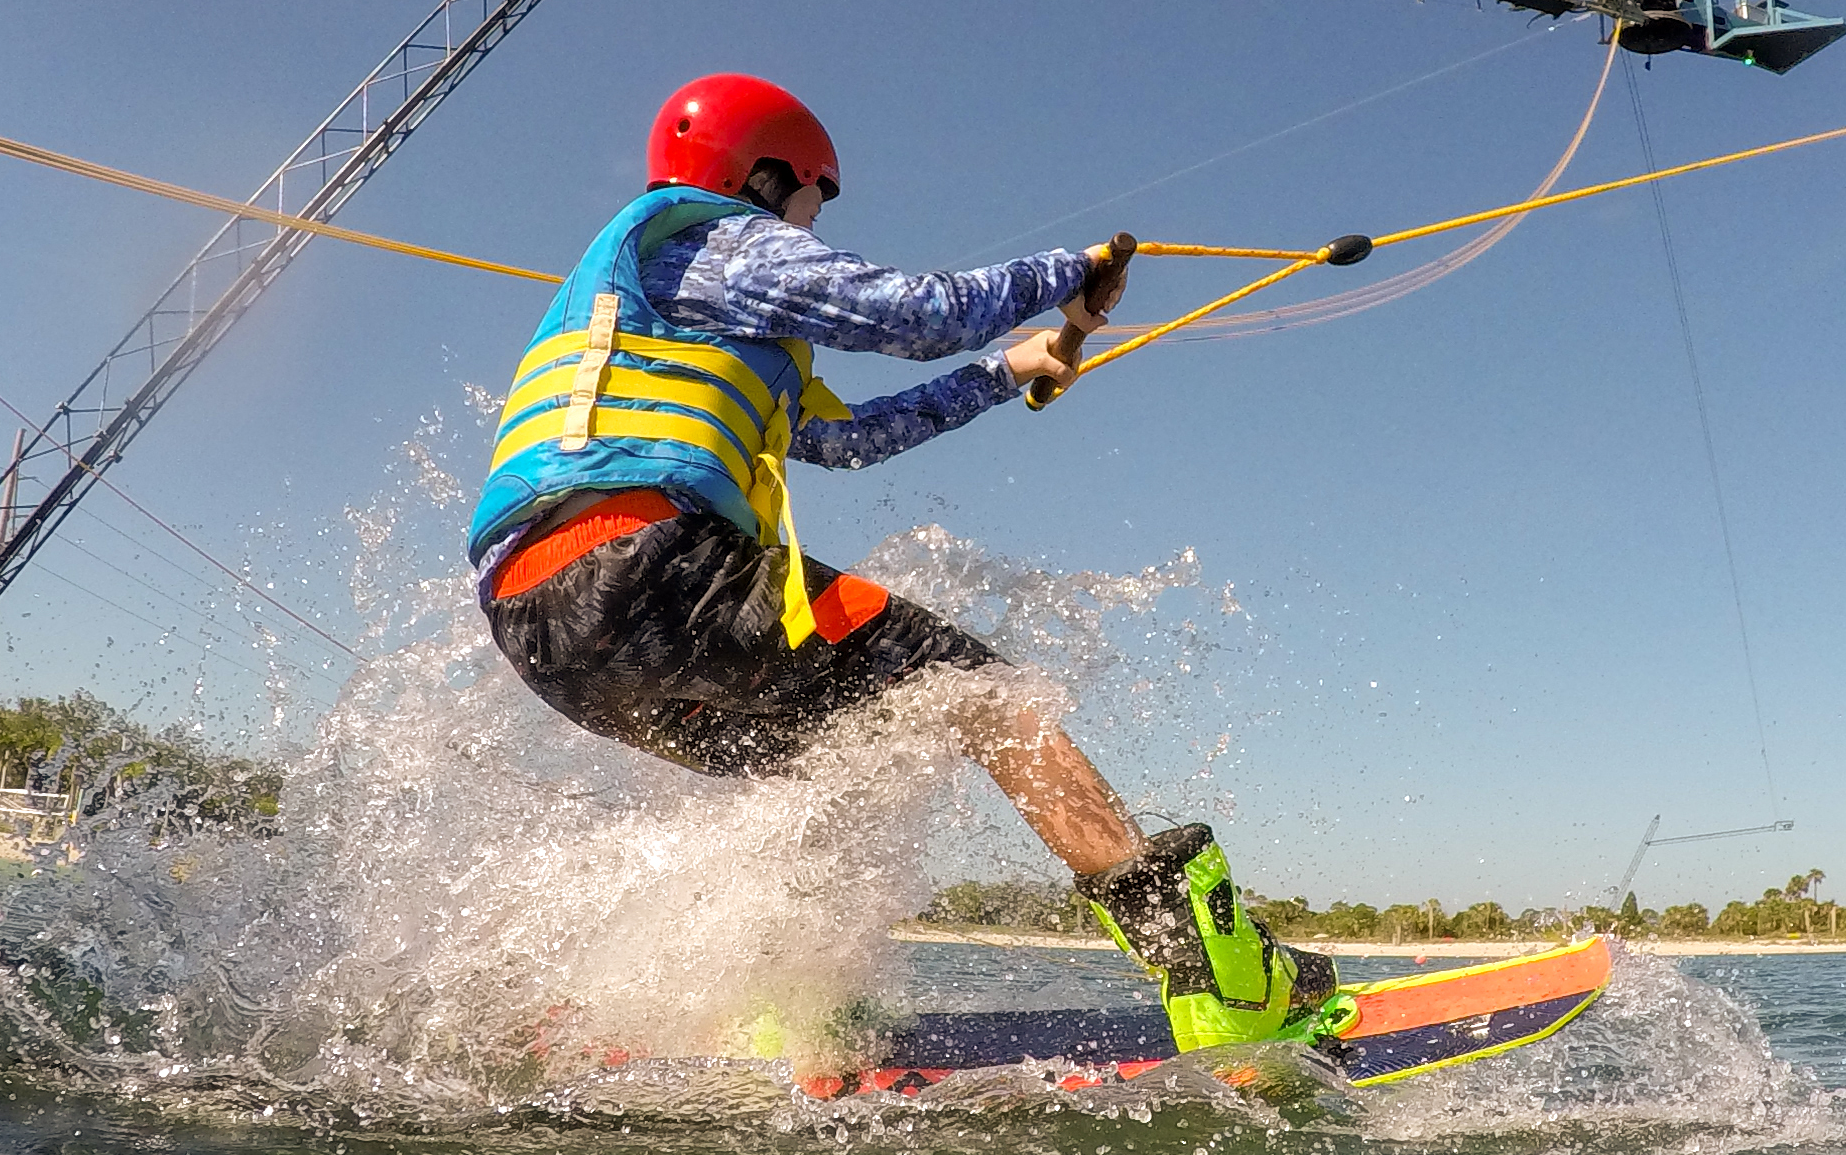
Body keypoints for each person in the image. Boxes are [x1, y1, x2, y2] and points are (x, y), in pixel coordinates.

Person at [468, 72, 1333, 1051]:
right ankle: (1218, 975)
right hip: (652, 569)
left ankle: (787, 1009)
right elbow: (918, 314)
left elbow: (851, 442)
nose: (816, 220)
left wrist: (1008, 370)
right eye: (816, 196)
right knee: (987, 698)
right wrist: (1071, 270)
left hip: (545, 633)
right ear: (763, 175)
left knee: (841, 765)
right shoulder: (713, 242)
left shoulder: (670, 316)